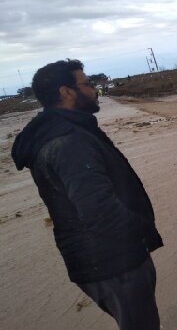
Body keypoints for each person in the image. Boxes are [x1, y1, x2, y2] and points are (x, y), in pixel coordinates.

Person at [11, 59, 163, 330]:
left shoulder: (61, 132)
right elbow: (99, 210)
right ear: (66, 92)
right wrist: (141, 228)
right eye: (87, 83)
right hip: (114, 262)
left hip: (100, 259)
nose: (94, 89)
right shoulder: (69, 142)